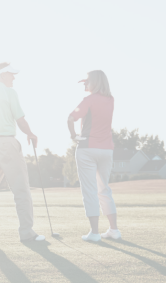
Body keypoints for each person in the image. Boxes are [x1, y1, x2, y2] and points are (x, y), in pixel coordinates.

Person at [0, 62, 45, 243]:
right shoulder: (9, 93)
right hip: (6, 143)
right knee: (21, 190)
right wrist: (30, 134)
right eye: (11, 74)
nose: (14, 77)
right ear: (1, 75)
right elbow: (21, 120)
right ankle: (27, 233)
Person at [67, 70, 120, 242]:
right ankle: (114, 230)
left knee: (90, 191)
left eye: (87, 82)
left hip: (87, 148)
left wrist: (73, 136)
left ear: (95, 83)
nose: (84, 84)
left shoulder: (88, 100)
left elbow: (70, 118)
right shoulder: (110, 100)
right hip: (107, 150)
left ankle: (94, 233)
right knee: (104, 189)